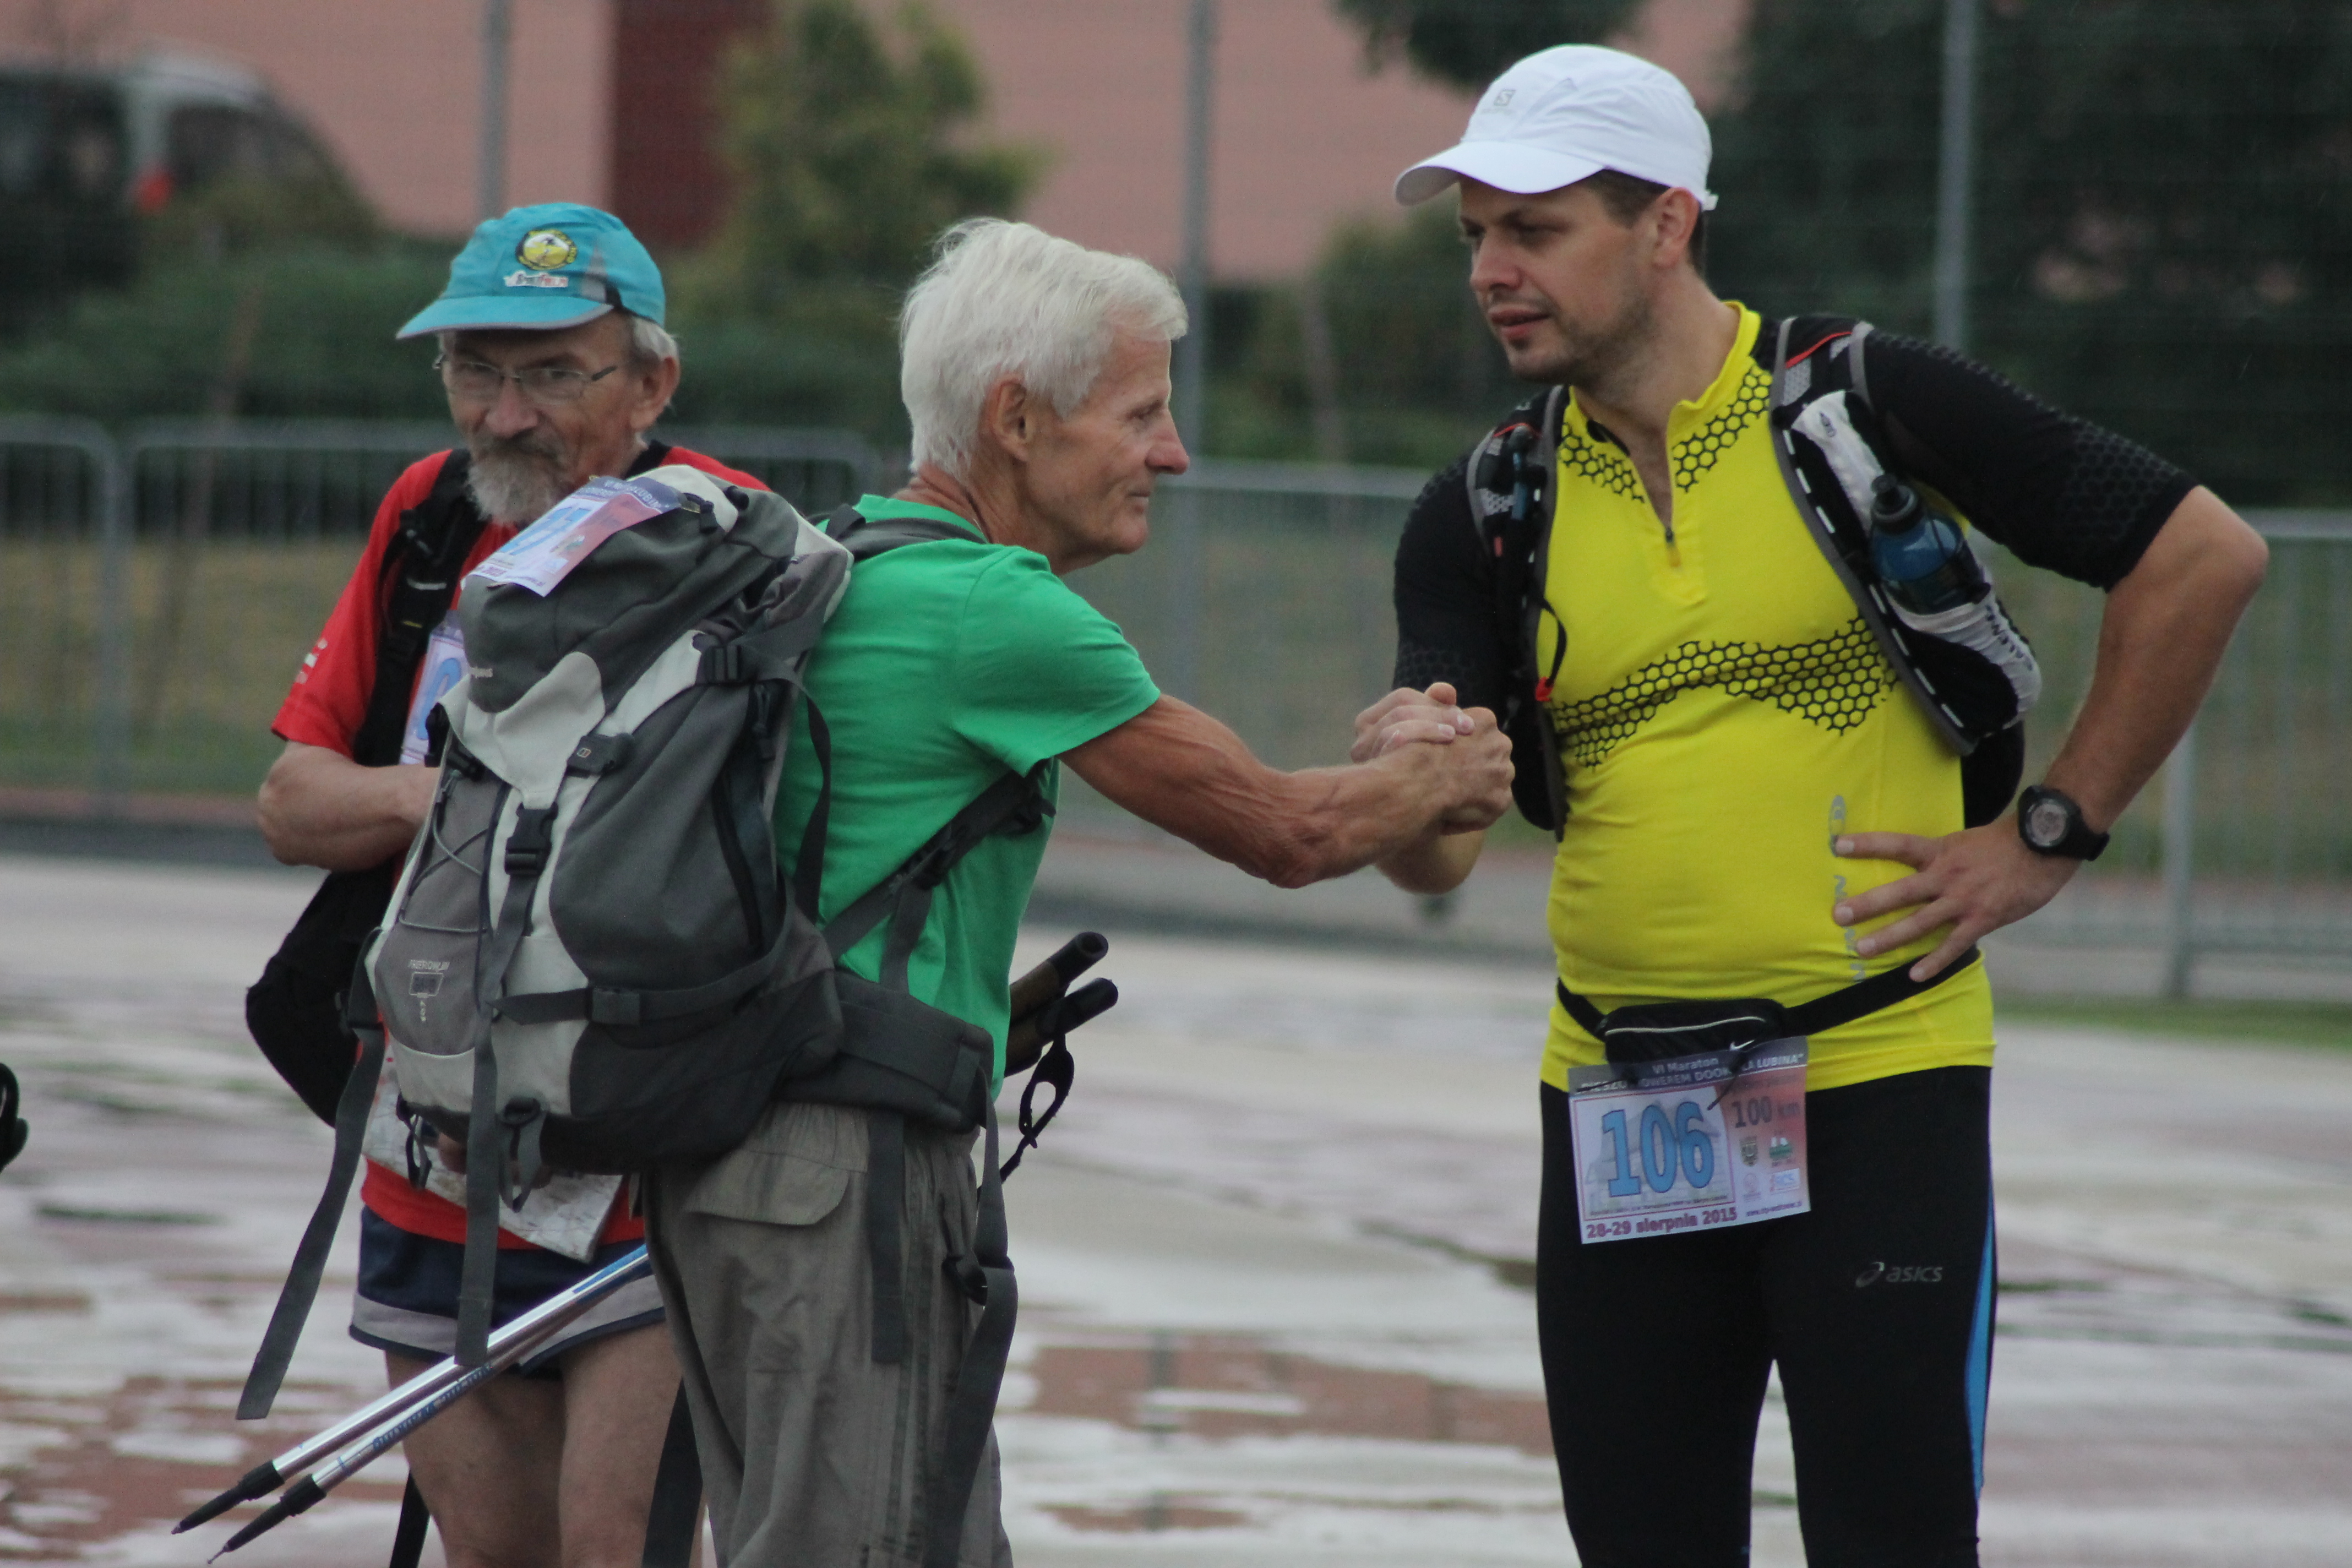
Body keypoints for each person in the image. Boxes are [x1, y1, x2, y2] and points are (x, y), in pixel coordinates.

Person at [1359, 44, 2270, 1568]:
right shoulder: (1482, 509)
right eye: (1475, 239)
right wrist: (1414, 784)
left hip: (1874, 1087)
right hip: (1623, 1096)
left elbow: (2202, 557)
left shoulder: (1861, 406)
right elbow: (1441, 857)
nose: (1494, 273)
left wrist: (2051, 832)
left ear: (1667, 226)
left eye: (1536, 230)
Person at [643, 217, 1515, 1568]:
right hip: (850, 1172)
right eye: (1143, 414)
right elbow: (1285, 832)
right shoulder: (995, 608)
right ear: (1016, 418)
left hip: (739, 1163)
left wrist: (975, 1009)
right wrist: (1442, 769)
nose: (1173, 452)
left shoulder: (842, 555)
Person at [259, 202, 766, 1568]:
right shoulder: (428, 519)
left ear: (653, 380)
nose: (507, 414)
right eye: (477, 371)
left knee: (617, 1553)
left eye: (554, 373)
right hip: (424, 1153)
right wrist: (454, 800)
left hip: (635, 1161)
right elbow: (294, 800)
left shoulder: (732, 547)